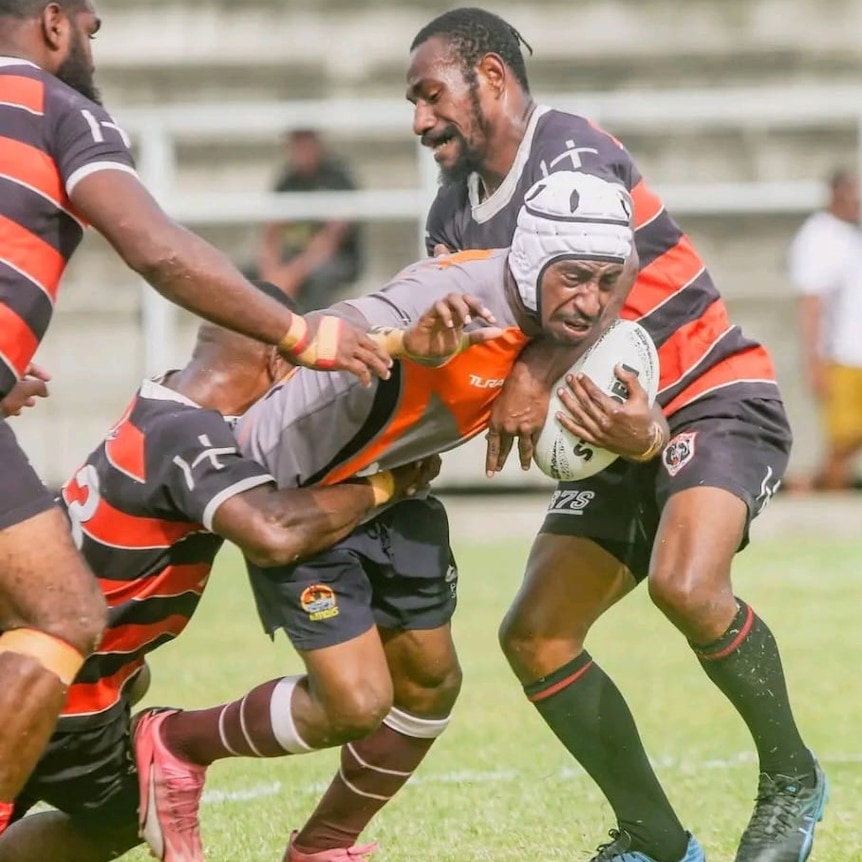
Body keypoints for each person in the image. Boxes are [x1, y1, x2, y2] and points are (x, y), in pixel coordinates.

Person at [129, 171, 661, 862]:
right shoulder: (451, 299)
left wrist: (593, 404)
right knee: (354, 703)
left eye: (604, 280)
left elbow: (626, 269)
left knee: (430, 686)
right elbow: (340, 327)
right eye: (574, 279)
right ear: (533, 262)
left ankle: (323, 846)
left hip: (398, 485)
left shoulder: (565, 304)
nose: (591, 302)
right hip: (301, 484)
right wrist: (407, 344)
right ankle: (174, 741)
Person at [405, 9, 826, 862]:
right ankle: (656, 837)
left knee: (685, 583)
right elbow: (469, 356)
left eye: (430, 94)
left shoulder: (567, 148)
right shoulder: (451, 218)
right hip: (607, 438)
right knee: (535, 635)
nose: (419, 119)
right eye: (412, 102)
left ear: (490, 77)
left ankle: (793, 781)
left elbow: (617, 259)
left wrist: (533, 378)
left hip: (711, 395)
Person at [0, 0, 390, 826]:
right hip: (82, 703)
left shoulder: (158, 410)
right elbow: (160, 248)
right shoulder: (58, 110)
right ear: (55, 23)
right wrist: (303, 331)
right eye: (90, 25)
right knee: (69, 617)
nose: (94, 40)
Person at [0, 282, 439, 862]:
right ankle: (173, 738)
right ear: (280, 358)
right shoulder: (191, 436)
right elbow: (273, 533)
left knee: (126, 812)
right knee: (128, 809)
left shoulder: (160, 401)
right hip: (56, 695)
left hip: (78, 685)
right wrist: (386, 485)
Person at [788, 168, 862, 491]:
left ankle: (814, 485)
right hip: (842, 355)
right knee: (845, 438)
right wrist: (813, 358)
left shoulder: (851, 234)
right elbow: (812, 303)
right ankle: (823, 495)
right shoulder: (819, 236)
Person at [257, 128, 363, 311]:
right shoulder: (287, 180)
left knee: (319, 277)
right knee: (247, 275)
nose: (301, 151)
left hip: (336, 260)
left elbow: (331, 240)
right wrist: (270, 270)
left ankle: (311, 331)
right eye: (297, 145)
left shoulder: (337, 179)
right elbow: (271, 233)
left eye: (306, 144)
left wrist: (291, 275)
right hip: (293, 258)